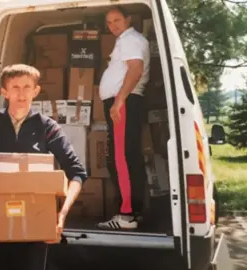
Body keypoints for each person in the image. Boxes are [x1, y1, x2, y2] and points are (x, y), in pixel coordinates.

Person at [0, 64, 88, 270]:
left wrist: (61, 215)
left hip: (36, 224)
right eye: (14, 87)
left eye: (26, 87)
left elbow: (76, 173)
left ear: (36, 91)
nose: (21, 94)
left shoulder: (47, 127)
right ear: (4, 91)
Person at [96, 6, 150, 230]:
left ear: (128, 19)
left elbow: (135, 69)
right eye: (109, 23)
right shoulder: (127, 40)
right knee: (127, 157)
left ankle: (126, 215)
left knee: (121, 159)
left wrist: (119, 101)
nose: (113, 26)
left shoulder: (130, 39)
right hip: (124, 102)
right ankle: (134, 213)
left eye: (117, 20)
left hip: (124, 102)